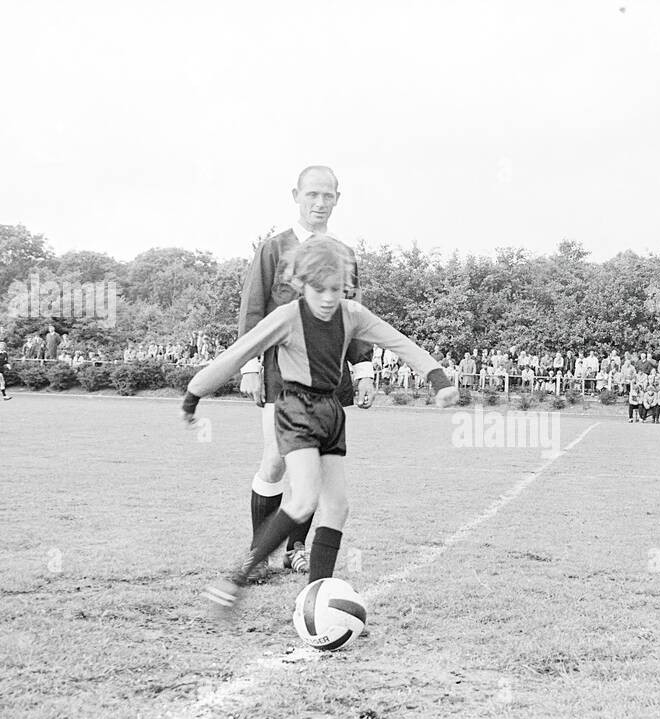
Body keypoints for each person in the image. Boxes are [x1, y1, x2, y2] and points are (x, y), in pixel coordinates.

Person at [185, 237, 457, 617]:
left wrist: (439, 379)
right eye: (319, 289)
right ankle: (236, 580)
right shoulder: (287, 317)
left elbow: (399, 342)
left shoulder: (352, 314)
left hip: (331, 410)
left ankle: (314, 600)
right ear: (300, 284)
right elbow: (239, 353)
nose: (328, 298)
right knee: (303, 499)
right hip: (295, 407)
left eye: (336, 289)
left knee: (338, 508)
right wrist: (194, 393)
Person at [235, 165, 373, 579]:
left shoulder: (344, 255)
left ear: (337, 199)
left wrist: (363, 369)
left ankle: (296, 550)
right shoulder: (273, 248)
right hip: (281, 373)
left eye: (327, 196)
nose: (319, 203)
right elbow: (253, 309)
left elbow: (355, 317)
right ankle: (256, 555)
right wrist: (249, 367)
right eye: (311, 194)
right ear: (296, 195)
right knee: (276, 459)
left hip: (327, 380)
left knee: (312, 466)